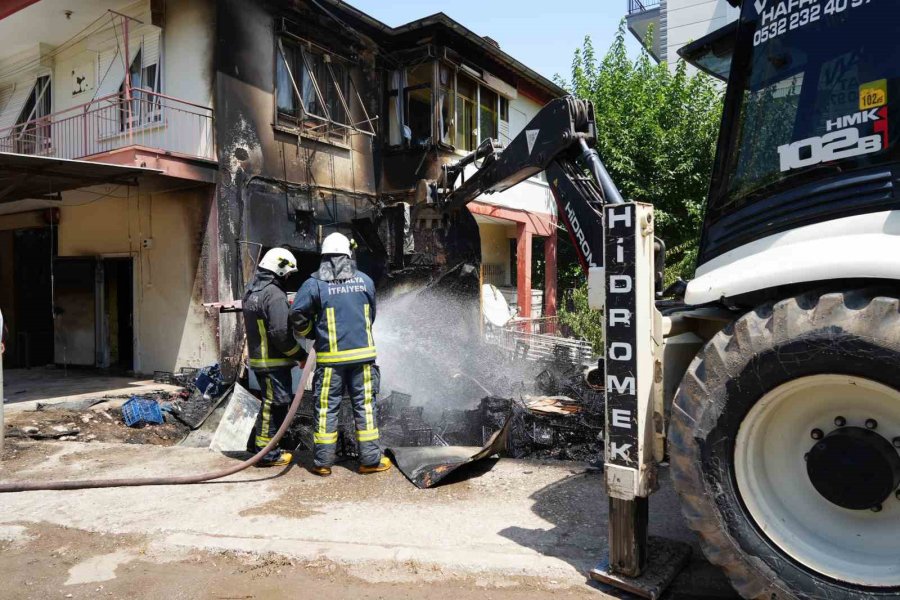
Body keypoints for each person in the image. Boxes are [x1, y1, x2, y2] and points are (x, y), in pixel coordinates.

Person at [290, 232, 391, 477]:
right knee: (365, 408)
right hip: (363, 360)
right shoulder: (365, 281)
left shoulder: (314, 283)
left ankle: (323, 463)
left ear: (324, 257)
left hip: (330, 362)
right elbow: (371, 315)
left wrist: (313, 332)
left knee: (326, 410)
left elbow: (297, 316)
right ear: (349, 255)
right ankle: (370, 461)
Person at [243, 247, 306, 467]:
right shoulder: (274, 295)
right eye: (287, 273)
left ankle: (255, 446)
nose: (288, 277)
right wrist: (300, 354)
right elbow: (280, 333)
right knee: (276, 404)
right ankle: (266, 454)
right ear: (278, 270)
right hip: (274, 362)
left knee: (270, 404)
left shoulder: (251, 291)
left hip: (261, 361)